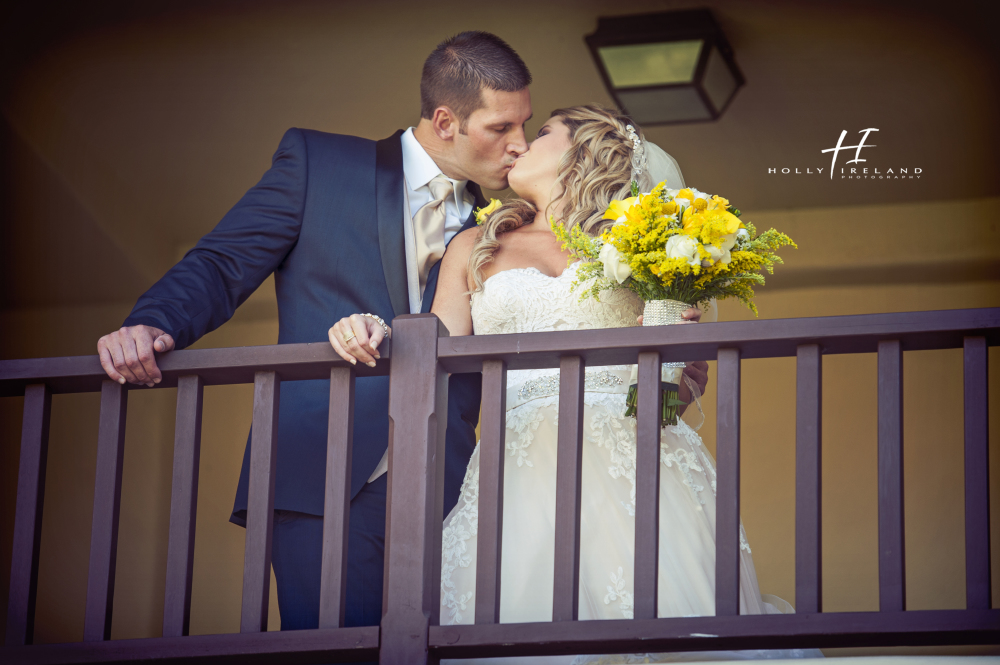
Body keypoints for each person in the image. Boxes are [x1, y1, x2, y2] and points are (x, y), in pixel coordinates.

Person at [331, 105, 821, 663]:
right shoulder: (474, 248)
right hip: (520, 471)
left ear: (583, 152)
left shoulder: (645, 243)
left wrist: (670, 366)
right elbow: (429, 348)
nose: (519, 145)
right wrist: (373, 328)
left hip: (637, 463)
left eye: (541, 134)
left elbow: (679, 392)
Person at [95, 31, 533, 635]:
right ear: (445, 121)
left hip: (447, 484)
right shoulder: (319, 164)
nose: (521, 146)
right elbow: (225, 262)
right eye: (501, 128)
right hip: (320, 471)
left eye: (526, 126)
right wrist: (151, 323)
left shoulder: (500, 225)